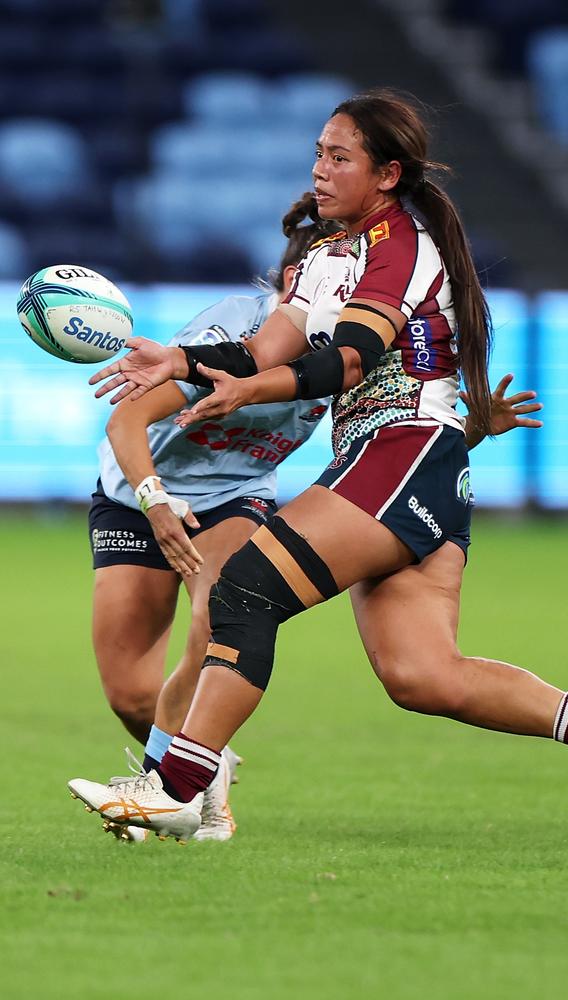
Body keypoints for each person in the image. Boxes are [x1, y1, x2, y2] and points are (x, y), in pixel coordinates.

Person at [70, 90, 568, 844]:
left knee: (246, 585)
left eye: (339, 157)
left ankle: (180, 787)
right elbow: (261, 352)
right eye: (317, 152)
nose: (319, 169)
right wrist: (179, 358)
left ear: (387, 174)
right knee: (422, 676)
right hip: (404, 463)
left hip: (400, 450)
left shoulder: (402, 245)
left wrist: (251, 389)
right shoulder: (325, 258)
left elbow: (347, 361)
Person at [87, 216, 332, 841]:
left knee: (217, 615)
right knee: (129, 695)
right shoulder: (232, 331)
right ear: (296, 281)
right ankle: (203, 761)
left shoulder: (347, 351)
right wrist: (156, 502)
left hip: (235, 496)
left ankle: (167, 789)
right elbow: (126, 424)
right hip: (137, 493)